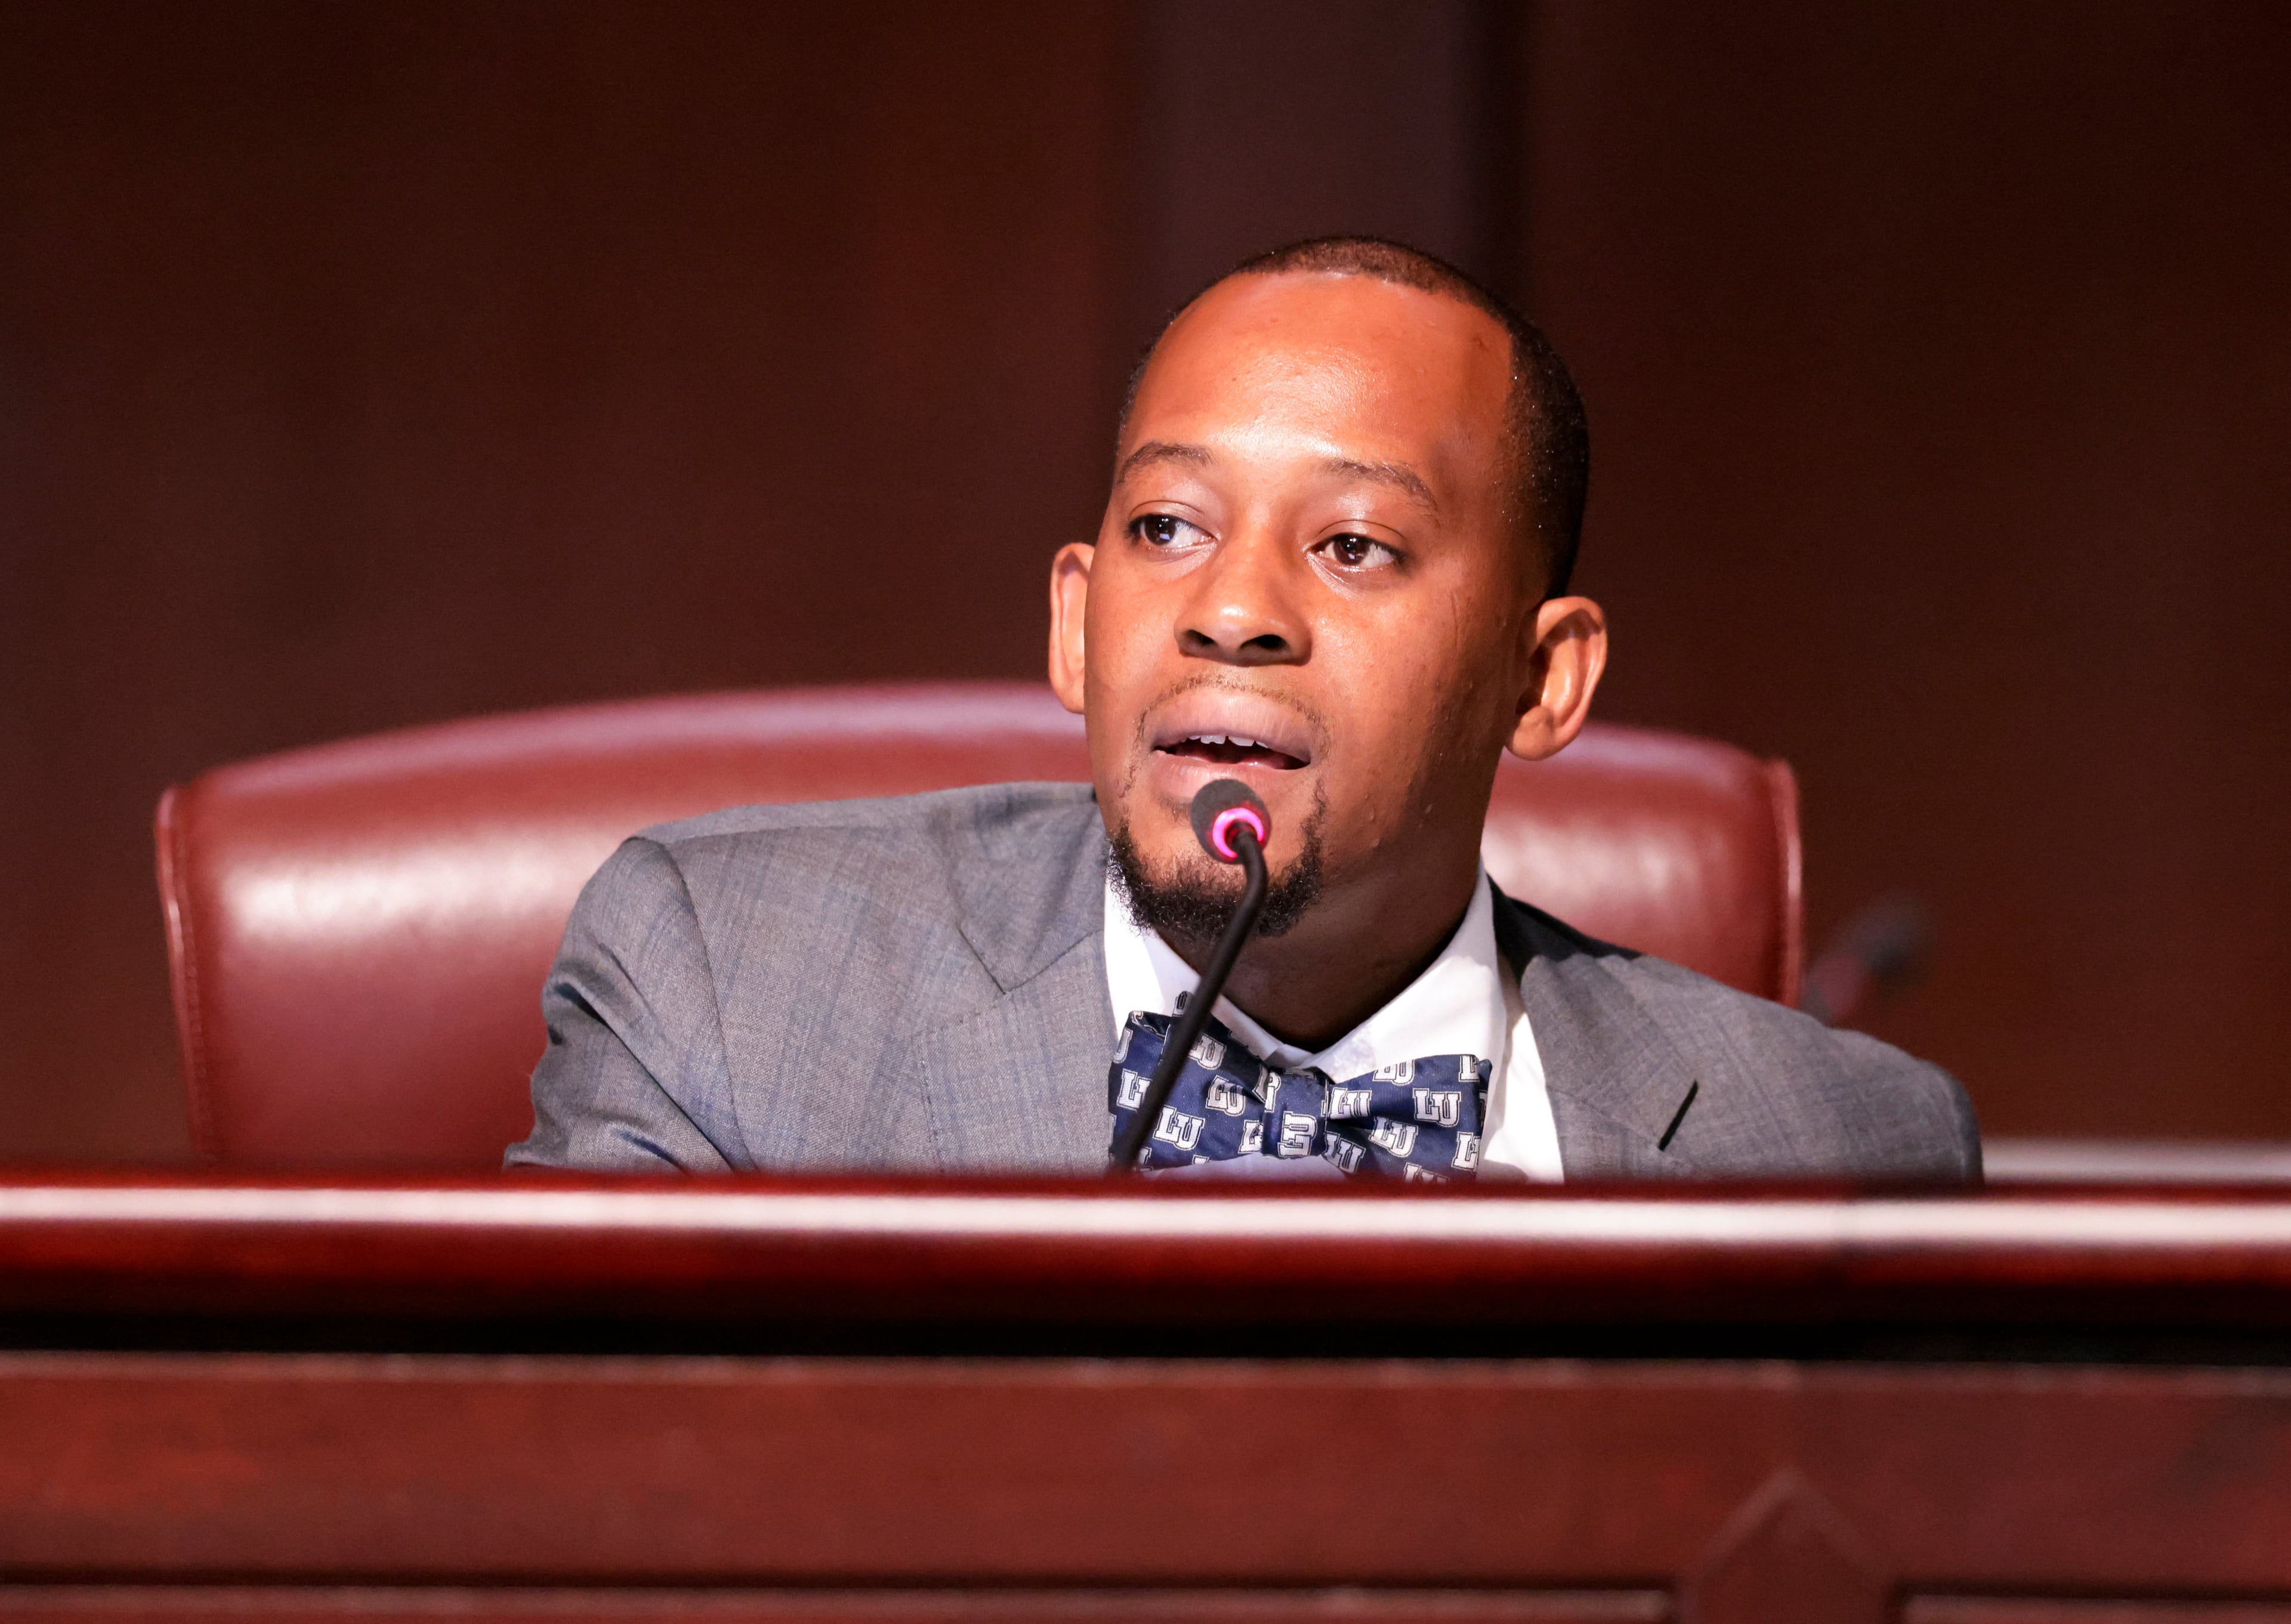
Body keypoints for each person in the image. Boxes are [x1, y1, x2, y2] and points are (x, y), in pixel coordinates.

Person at [507, 237, 1978, 1182]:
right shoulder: (732, 990)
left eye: (1352, 544)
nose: (1232, 609)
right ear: (1077, 623)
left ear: (1544, 681)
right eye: (1168, 527)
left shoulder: (1844, 1150)